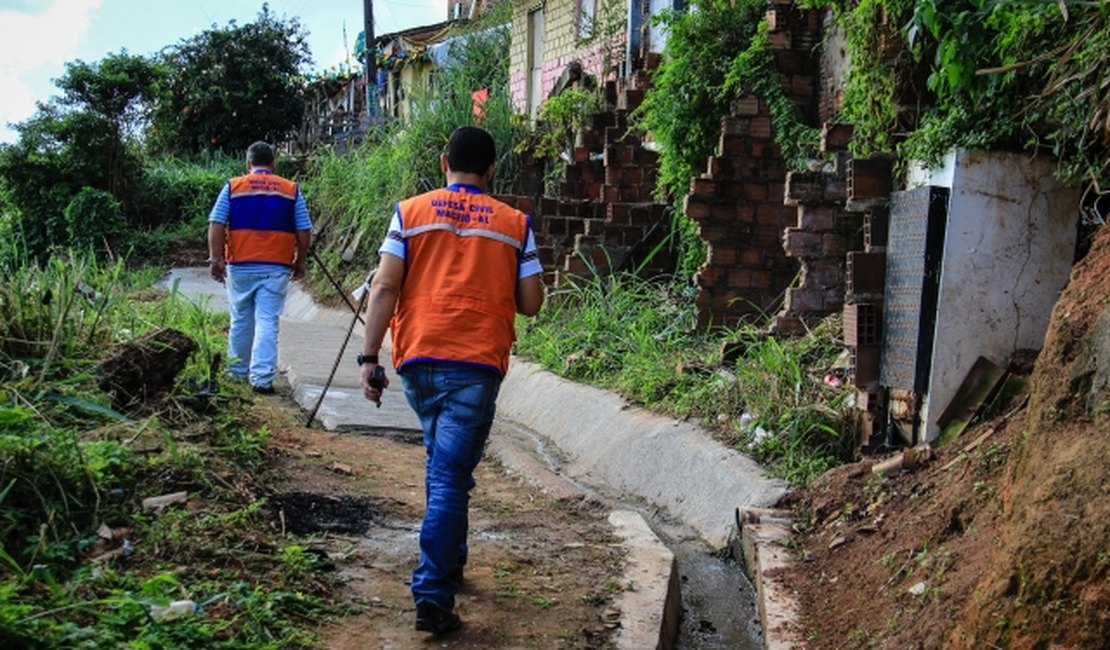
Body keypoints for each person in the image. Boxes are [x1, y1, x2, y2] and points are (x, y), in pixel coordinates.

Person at [358, 126, 544, 634]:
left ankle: (451, 561)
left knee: (443, 467)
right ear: (491, 171)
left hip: (418, 359)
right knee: (448, 478)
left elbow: (384, 287)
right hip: (476, 365)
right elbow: (530, 303)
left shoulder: (409, 213)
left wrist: (369, 358)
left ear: (444, 163)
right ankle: (433, 595)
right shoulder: (514, 223)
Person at [207, 141, 312, 394]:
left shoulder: (233, 187)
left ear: (248, 163)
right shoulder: (291, 190)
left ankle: (237, 371)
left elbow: (216, 223)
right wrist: (300, 260)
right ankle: (262, 379)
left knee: (241, 317)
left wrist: (215, 259)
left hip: (241, 265)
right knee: (267, 320)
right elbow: (304, 228)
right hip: (276, 266)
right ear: (273, 163)